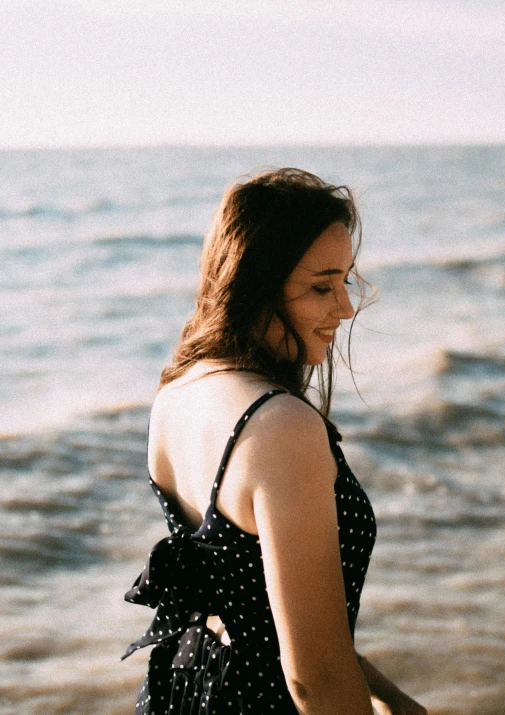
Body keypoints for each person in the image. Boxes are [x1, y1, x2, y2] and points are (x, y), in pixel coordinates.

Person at [122, 168, 427, 715]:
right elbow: (313, 677)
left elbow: (259, 613)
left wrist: (390, 697)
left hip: (179, 695)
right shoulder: (280, 427)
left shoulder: (175, 394)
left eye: (345, 281)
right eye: (320, 286)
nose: (346, 307)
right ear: (254, 282)